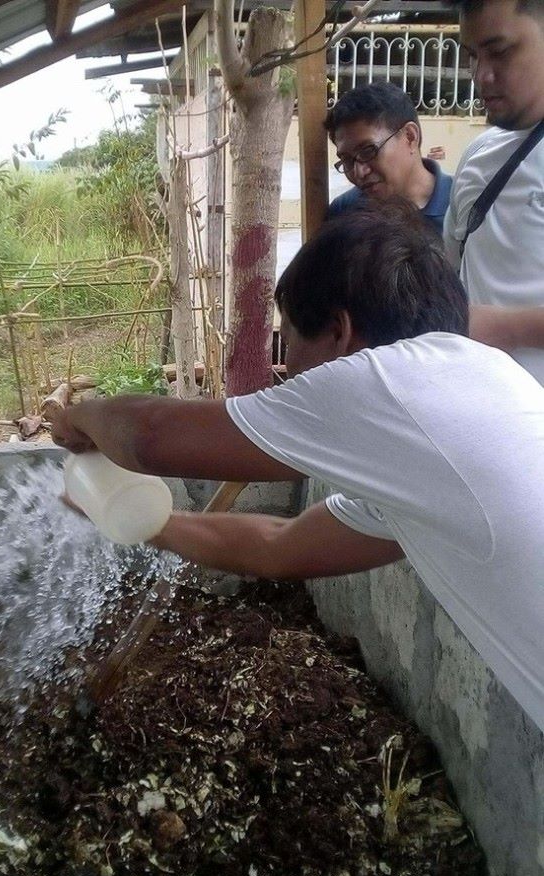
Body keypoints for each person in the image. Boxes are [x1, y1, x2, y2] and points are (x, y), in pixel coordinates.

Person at [53, 202, 544, 733]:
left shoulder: (383, 380)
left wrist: (77, 419)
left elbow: (149, 437)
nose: (284, 368)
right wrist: (150, 523)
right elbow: (281, 546)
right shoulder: (474, 393)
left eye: (288, 343)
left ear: (339, 331)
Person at [444, 0, 544, 380]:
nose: (481, 75)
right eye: (471, 56)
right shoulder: (478, 156)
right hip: (483, 416)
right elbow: (456, 272)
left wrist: (506, 327)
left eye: (500, 52)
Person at [325, 81, 452, 233]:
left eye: (368, 151)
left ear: (410, 137)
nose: (359, 172)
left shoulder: (466, 203)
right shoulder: (344, 213)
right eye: (347, 160)